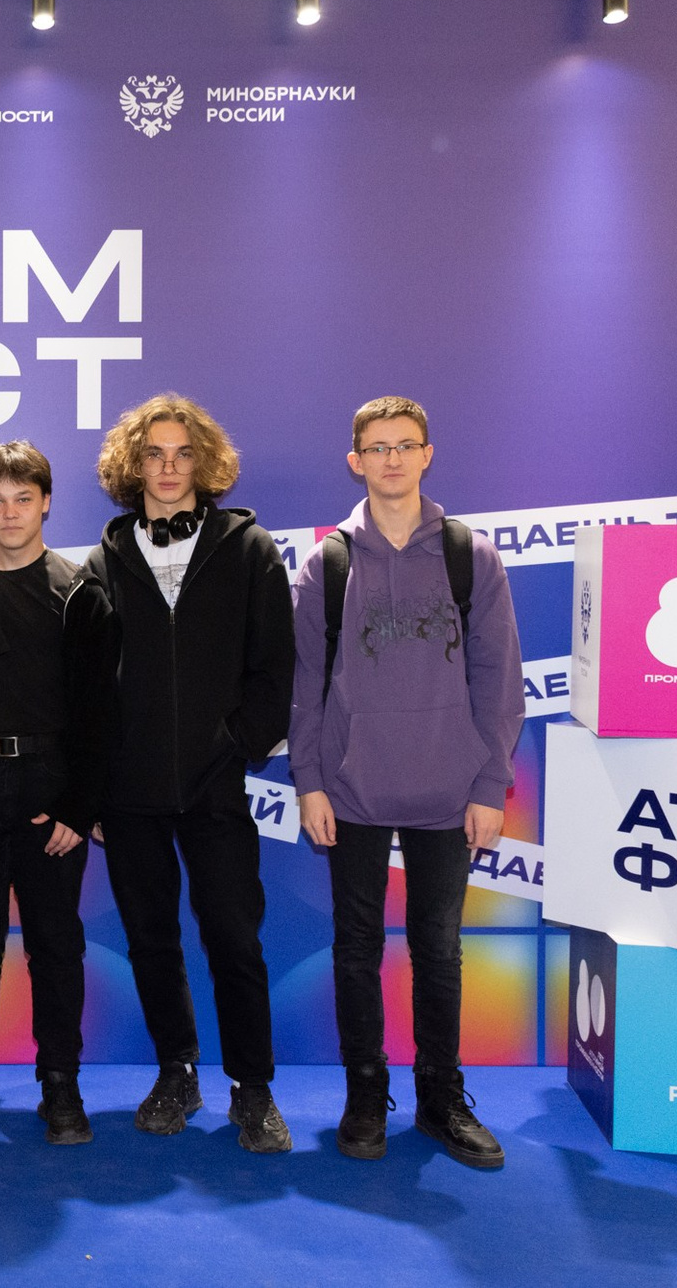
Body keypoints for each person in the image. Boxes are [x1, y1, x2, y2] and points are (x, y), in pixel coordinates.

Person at [290, 395, 523, 1169]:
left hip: (449, 790)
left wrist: (489, 784)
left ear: (427, 454)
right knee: (355, 947)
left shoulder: (470, 555)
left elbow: (500, 679)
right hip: (350, 789)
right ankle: (365, 1093)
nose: (391, 459)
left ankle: (440, 1097)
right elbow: (305, 685)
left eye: (405, 444)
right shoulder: (326, 563)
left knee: (439, 948)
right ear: (355, 461)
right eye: (377, 447)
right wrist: (310, 780)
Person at [83, 393, 295, 1154]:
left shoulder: (249, 549)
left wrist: (234, 743)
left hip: (215, 785)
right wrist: (95, 782)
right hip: (129, 790)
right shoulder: (103, 562)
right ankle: (177, 1071)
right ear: (133, 466)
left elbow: (275, 666)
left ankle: (253, 1087)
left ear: (203, 465)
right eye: (154, 455)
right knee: (151, 939)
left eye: (182, 455)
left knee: (236, 938)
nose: (168, 469)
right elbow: (87, 686)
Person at [0, 440, 114, 1146]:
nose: (10, 513)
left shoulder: (78, 591)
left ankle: (60, 1080)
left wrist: (78, 805)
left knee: (55, 944)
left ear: (46, 503)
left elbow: (100, 711)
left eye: (23, 499)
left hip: (50, 790)